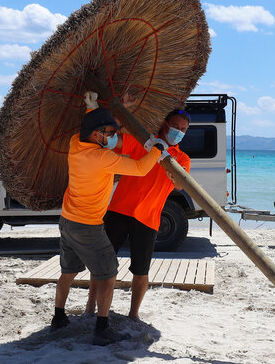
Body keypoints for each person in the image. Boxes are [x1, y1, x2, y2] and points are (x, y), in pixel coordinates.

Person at [51, 96, 169, 346]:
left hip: (67, 220)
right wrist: (157, 149)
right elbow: (140, 168)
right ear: (97, 135)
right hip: (88, 226)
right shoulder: (103, 159)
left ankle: (58, 318)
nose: (116, 136)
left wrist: (93, 108)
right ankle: (102, 327)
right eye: (111, 133)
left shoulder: (76, 143)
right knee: (108, 274)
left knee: (68, 272)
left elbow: (92, 123)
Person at [86, 109, 191, 321]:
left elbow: (180, 185)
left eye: (183, 130)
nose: (178, 132)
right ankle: (90, 307)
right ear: (165, 124)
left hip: (149, 217)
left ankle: (133, 315)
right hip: (119, 210)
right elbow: (113, 142)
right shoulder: (145, 143)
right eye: (176, 127)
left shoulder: (181, 159)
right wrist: (121, 116)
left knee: (141, 270)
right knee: (103, 263)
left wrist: (172, 169)